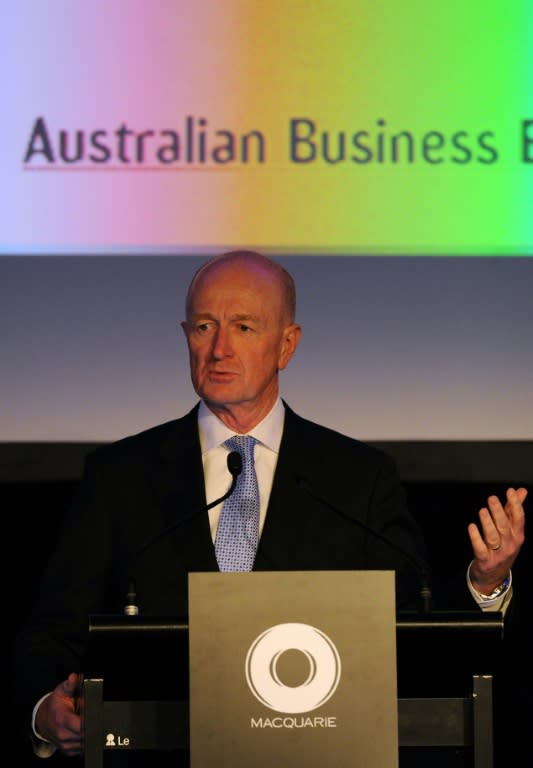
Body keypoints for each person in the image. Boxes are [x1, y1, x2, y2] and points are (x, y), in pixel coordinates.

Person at [12, 250, 527, 764]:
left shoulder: (357, 478)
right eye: (204, 326)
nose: (218, 349)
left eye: (243, 328)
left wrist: (482, 584)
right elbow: (54, 630)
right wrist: (43, 710)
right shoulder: (119, 476)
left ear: (287, 346)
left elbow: (409, 623)